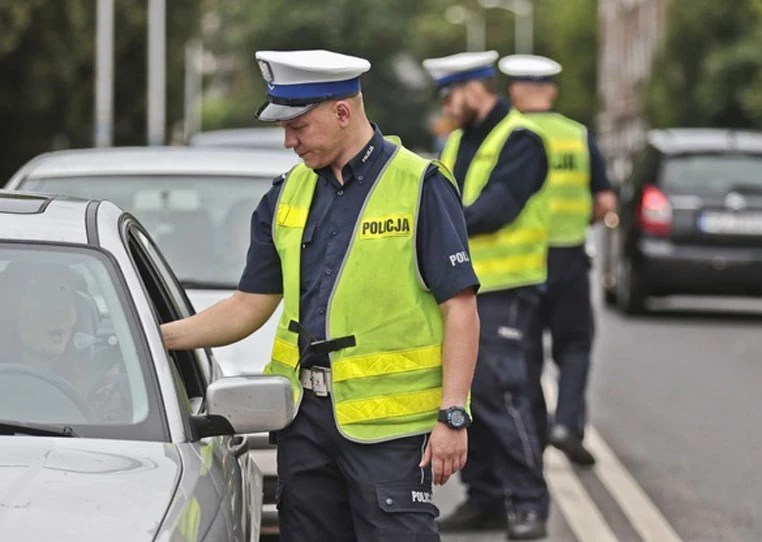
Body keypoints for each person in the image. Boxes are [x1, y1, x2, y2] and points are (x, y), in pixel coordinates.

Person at [160, 49, 481, 542]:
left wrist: (453, 415)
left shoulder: (419, 186)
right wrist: (155, 338)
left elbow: (459, 308)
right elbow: (249, 305)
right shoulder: (286, 193)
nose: (288, 142)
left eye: (299, 127)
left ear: (342, 112)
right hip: (303, 424)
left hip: (388, 435)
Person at [422, 50, 550, 540]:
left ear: (475, 89)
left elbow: (496, 209)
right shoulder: (458, 141)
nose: (449, 107)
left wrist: (437, 227)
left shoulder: (521, 140)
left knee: (506, 396)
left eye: (452, 95)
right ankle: (487, 499)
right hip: (465, 290)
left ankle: (528, 502)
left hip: (507, 291)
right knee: (469, 395)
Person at [498, 54, 617, 466]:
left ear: (514, 91)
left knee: (525, 352)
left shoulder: (504, 135)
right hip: (568, 257)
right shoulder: (578, 136)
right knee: (574, 346)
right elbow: (604, 203)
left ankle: (530, 437)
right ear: (552, 91)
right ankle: (566, 424)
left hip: (517, 263)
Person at [0, 262, 129, 423]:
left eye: (65, 299)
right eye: (42, 301)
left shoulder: (103, 390)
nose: (58, 314)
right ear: (7, 314)